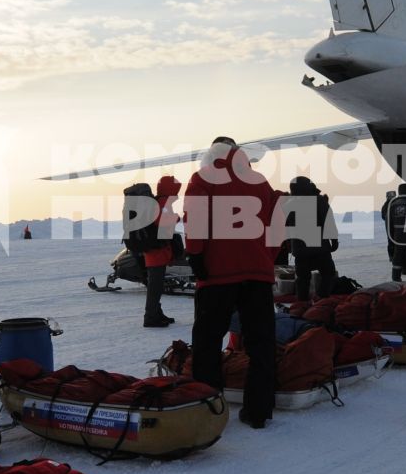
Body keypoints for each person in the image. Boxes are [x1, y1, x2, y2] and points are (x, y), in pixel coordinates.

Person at [184, 138, 281, 428]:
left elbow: (195, 217)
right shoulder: (259, 181)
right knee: (261, 343)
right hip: (257, 275)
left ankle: (209, 409)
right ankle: (259, 410)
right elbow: (277, 222)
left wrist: (196, 255)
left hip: (218, 275)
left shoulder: (203, 178)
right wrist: (266, 257)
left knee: (207, 342)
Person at [284, 175, 339, 302]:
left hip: (300, 251)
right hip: (319, 249)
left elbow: (287, 227)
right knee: (328, 274)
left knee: (302, 279)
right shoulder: (319, 201)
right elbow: (328, 222)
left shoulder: (289, 204)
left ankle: (302, 303)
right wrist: (334, 240)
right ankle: (321, 298)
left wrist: (289, 244)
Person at [139, 174, 183, 328]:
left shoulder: (159, 201)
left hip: (154, 252)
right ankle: (150, 317)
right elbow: (162, 222)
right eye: (176, 188)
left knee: (156, 286)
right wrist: (176, 218)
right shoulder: (163, 202)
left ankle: (157, 313)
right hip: (156, 253)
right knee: (155, 287)